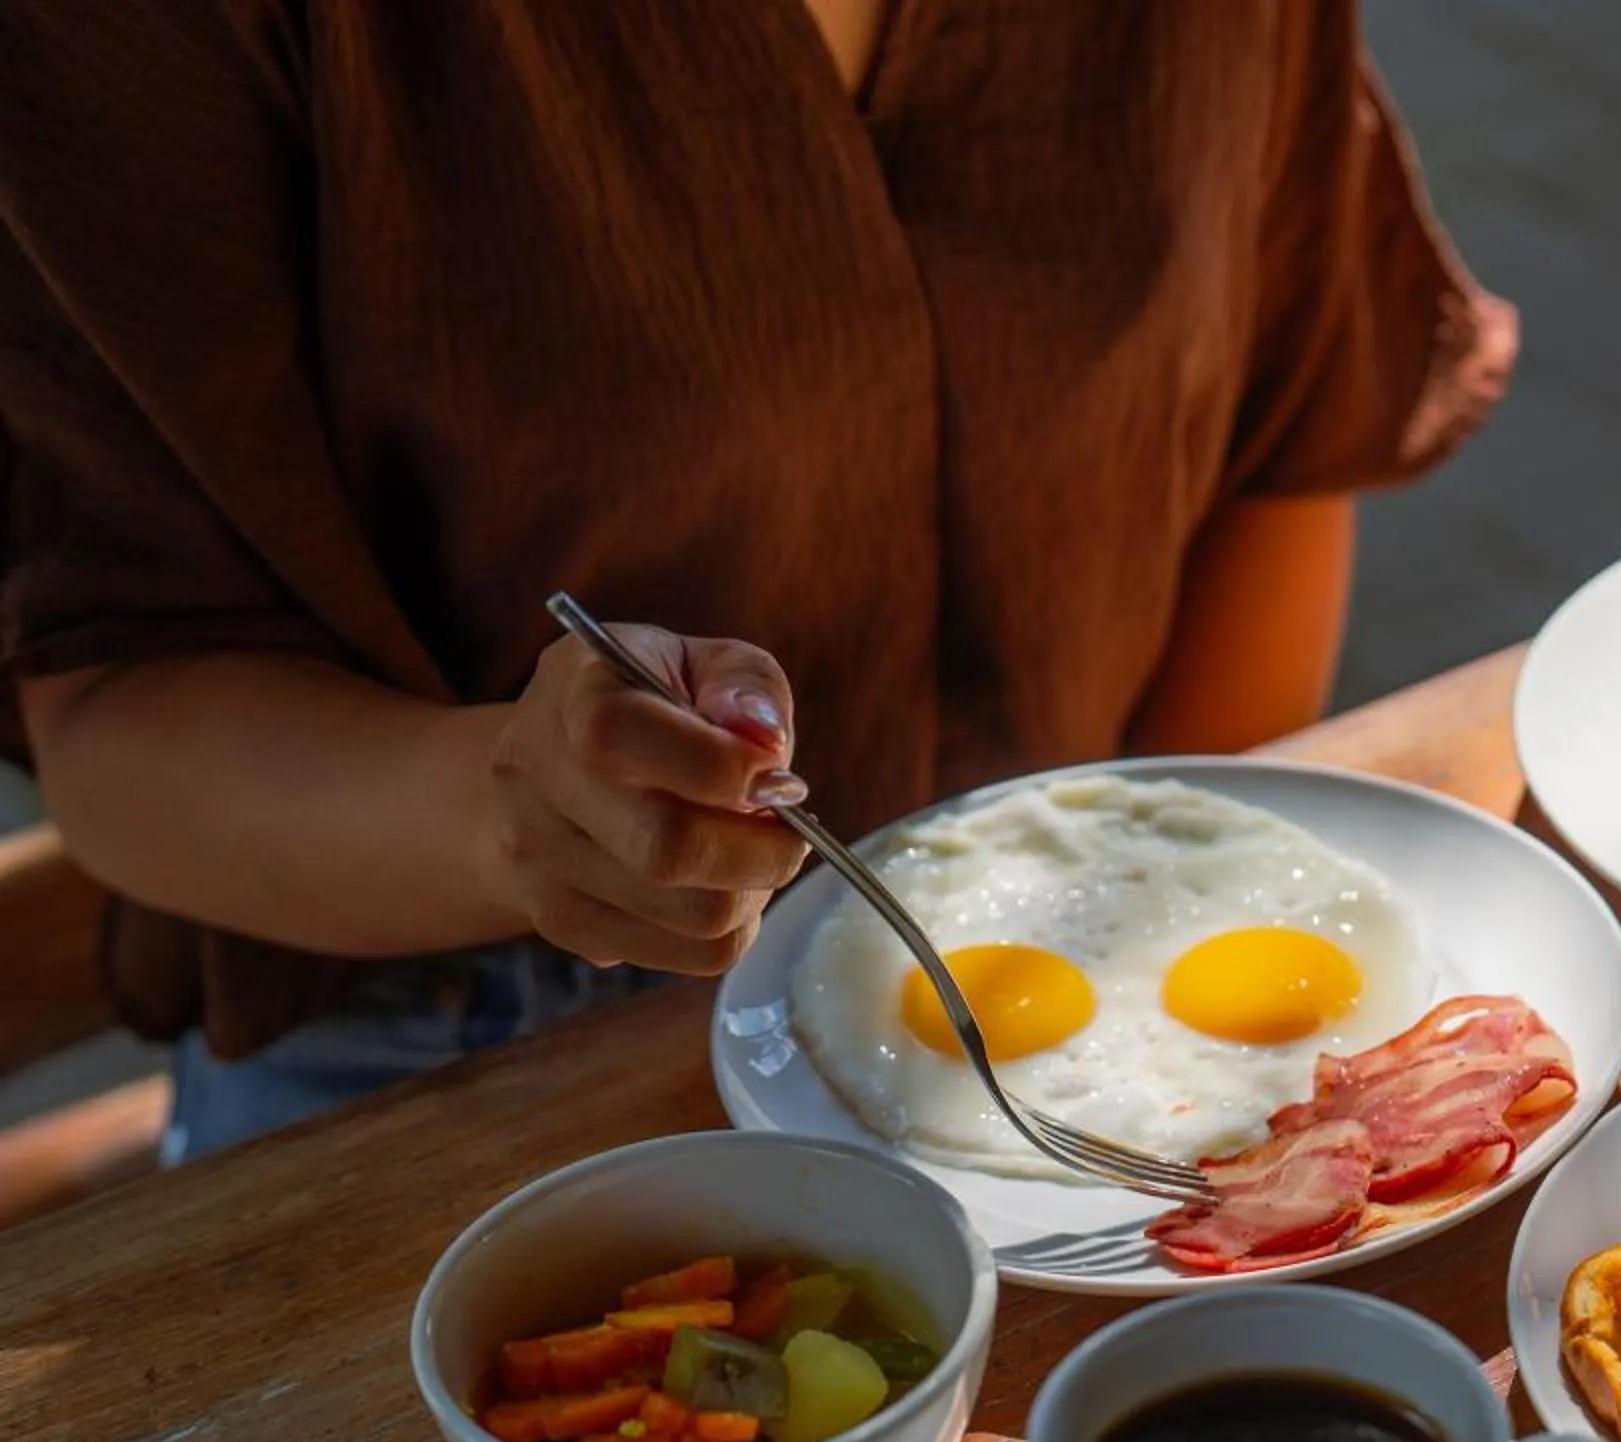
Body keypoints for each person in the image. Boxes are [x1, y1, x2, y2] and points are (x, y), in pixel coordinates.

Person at [0, 1, 1510, 1160]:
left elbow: (1291, 411)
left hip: (1094, 1006)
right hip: (453, 1071)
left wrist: (1186, 962)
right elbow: (121, 709)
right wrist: (508, 813)